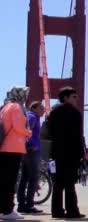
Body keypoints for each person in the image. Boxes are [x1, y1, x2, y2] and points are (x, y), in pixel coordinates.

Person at [47, 87, 85, 219]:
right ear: (66, 98)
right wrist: (82, 152)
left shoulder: (53, 112)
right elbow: (78, 135)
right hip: (71, 152)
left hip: (58, 152)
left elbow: (50, 132)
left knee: (58, 182)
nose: (77, 99)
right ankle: (72, 211)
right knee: (70, 182)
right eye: (74, 96)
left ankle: (56, 211)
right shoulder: (74, 113)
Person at [0, 86, 32, 220]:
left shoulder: (5, 106)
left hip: (5, 148)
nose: (26, 97)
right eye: (25, 94)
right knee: (10, 180)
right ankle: (8, 211)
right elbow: (18, 126)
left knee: (4, 180)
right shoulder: (15, 107)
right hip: (13, 148)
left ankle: (4, 209)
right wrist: (28, 132)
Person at [17, 101, 45, 214]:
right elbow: (25, 132)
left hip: (27, 152)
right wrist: (29, 146)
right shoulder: (32, 117)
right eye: (41, 108)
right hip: (32, 152)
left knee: (24, 178)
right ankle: (29, 205)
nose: (43, 110)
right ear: (34, 108)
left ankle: (21, 205)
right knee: (33, 179)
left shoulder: (31, 116)